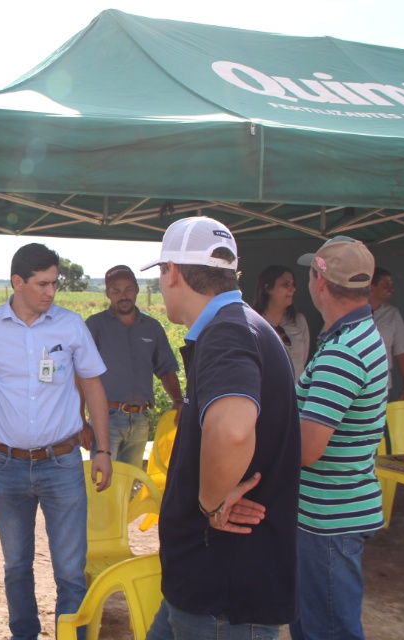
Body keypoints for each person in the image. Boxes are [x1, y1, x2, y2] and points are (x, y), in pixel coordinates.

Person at [0, 242, 112, 640]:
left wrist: (103, 449)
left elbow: (94, 385)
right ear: (17, 282)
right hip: (7, 466)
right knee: (17, 565)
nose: (51, 292)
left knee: (71, 571)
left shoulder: (70, 326)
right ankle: (24, 634)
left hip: (64, 463)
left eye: (55, 283)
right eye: (42, 284)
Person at [143, 216, 301, 640]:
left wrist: (212, 502)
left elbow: (232, 429)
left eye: (160, 273)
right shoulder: (238, 324)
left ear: (172, 272)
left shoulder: (227, 331)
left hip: (223, 591)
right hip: (203, 582)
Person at [289, 237, 388, 640]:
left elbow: (308, 449)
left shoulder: (343, 352)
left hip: (326, 521)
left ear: (320, 283)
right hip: (333, 512)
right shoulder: (356, 336)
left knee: (328, 631)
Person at [83, 264, 182, 469]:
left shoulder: (152, 327)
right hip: (106, 419)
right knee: (103, 484)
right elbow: (81, 374)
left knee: (130, 481)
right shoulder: (95, 326)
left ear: (137, 289)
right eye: (116, 291)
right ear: (107, 294)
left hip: (140, 420)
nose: (123, 295)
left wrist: (179, 401)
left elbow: (166, 369)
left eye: (128, 289)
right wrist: (80, 421)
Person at [370, 266, 404, 407]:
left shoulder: (392, 313)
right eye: (386, 284)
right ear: (371, 287)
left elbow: (402, 350)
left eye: (391, 284)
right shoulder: (348, 310)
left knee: (372, 426)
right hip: (349, 380)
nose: (391, 289)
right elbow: (324, 342)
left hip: (379, 384)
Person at [252, 265, 311, 377]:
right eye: (286, 284)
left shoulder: (299, 321)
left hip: (296, 392)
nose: (293, 289)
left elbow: (303, 360)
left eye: (293, 284)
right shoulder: (253, 322)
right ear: (268, 288)